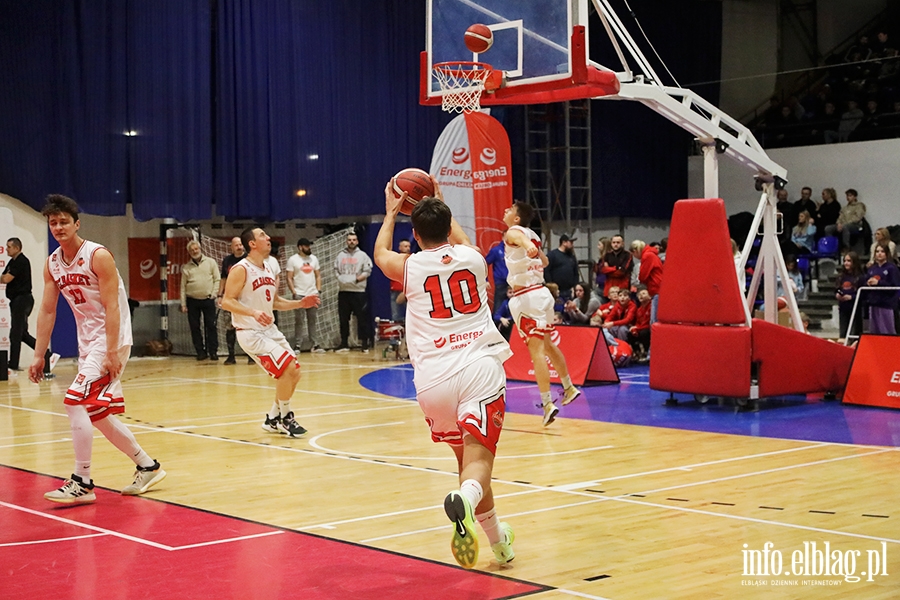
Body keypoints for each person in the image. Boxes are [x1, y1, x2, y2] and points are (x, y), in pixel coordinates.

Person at [374, 182, 515, 569]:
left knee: (466, 462)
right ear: (447, 224)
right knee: (480, 461)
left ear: (415, 235)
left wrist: (390, 213)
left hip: (433, 383)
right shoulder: (472, 257)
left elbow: (380, 253)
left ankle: (499, 542)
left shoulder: (410, 266)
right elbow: (459, 236)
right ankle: (464, 501)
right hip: (476, 368)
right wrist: (436, 201)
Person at [29, 194, 166, 504]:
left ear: (77, 223)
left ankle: (82, 480)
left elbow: (112, 307)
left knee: (73, 400)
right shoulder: (52, 264)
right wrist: (39, 354)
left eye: (64, 221)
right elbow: (48, 310)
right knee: (97, 412)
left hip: (110, 339)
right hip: (88, 341)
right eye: (53, 222)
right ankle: (148, 466)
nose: (59, 227)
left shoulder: (97, 255)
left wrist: (113, 351)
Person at [222, 227, 321, 437]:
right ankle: (286, 418)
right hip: (250, 331)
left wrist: (300, 303)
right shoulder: (241, 269)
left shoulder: (268, 268)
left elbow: (274, 302)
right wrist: (253, 312)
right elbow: (226, 301)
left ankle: (272, 418)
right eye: (262, 236)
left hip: (269, 329)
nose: (268, 238)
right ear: (252, 243)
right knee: (287, 368)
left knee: (295, 371)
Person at [502, 201, 581, 426]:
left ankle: (547, 403)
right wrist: (531, 251)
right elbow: (544, 260)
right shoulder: (532, 233)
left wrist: (527, 246)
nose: (506, 211)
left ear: (517, 218)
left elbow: (523, 242)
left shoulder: (515, 232)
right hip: (543, 294)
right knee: (547, 345)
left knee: (536, 351)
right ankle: (568, 387)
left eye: (510, 210)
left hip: (527, 297)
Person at [2, 238, 58, 377]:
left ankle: (13, 365)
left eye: (9, 247)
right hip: (17, 300)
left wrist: (4, 277)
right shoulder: (12, 261)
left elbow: (6, 278)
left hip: (23, 300)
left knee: (16, 333)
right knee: (21, 334)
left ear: (16, 247)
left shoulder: (21, 261)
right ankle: (47, 354)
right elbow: (4, 276)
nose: (7, 249)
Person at [334, 232, 374, 353]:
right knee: (343, 319)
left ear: (357, 241)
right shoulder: (340, 256)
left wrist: (356, 279)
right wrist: (341, 280)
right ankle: (344, 343)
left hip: (358, 292)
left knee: (362, 319)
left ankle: (364, 344)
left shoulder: (363, 255)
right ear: (346, 241)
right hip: (344, 292)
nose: (351, 242)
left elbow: (367, 271)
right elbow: (336, 270)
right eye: (349, 240)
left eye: (354, 240)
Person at [180, 240, 220, 361]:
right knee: (195, 327)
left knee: (211, 326)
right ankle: (200, 352)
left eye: (196, 249)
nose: (194, 251)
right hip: (192, 301)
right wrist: (183, 304)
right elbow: (183, 287)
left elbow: (217, 279)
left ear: (200, 249)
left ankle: (213, 352)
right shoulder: (186, 267)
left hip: (208, 299)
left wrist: (214, 294)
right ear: (189, 252)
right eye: (192, 250)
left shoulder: (211, 262)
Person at [218, 236, 253, 364]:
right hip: (231, 300)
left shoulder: (249, 260)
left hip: (246, 300)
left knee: (248, 327)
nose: (239, 247)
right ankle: (231, 355)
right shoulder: (227, 260)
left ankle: (251, 356)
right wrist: (220, 295)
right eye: (236, 245)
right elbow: (223, 278)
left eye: (240, 244)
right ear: (231, 247)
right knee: (230, 327)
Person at [285, 237, 324, 353]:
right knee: (299, 321)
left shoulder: (314, 259)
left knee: (312, 320)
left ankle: (315, 344)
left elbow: (318, 275)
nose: (309, 248)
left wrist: (318, 290)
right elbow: (289, 277)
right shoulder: (293, 260)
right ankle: (297, 345)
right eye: (306, 246)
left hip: (312, 293)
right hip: (300, 294)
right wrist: (294, 292)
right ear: (300, 247)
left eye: (309, 246)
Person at [863, 243, 900, 335]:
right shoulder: (872, 269)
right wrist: (868, 283)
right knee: (874, 331)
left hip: (886, 305)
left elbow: (895, 286)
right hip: (873, 303)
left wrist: (878, 283)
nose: (879, 254)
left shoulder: (892, 268)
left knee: (887, 331)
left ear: (887, 254)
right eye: (877, 251)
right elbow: (865, 282)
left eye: (882, 251)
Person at [835, 252, 866, 339]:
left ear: (854, 262)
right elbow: (837, 289)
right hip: (843, 308)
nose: (846, 263)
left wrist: (852, 297)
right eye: (845, 261)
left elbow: (864, 294)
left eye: (849, 261)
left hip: (856, 308)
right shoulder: (841, 276)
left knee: (854, 333)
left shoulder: (861, 277)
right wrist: (837, 295)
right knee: (843, 332)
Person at [631, 240, 663, 323]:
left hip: (656, 288)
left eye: (634, 254)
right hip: (657, 288)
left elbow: (643, 276)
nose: (635, 257)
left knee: (654, 321)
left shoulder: (647, 256)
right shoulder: (651, 254)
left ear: (635, 251)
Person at [545, 234, 579, 301]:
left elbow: (575, 272)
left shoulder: (571, 256)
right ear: (564, 242)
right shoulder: (552, 255)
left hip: (569, 291)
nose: (572, 245)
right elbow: (546, 271)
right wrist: (552, 287)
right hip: (557, 291)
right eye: (571, 242)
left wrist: (575, 287)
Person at [388, 239, 411, 322]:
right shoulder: (394, 258)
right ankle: (397, 333)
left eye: (409, 246)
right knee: (395, 316)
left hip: (408, 290)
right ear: (400, 247)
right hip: (395, 290)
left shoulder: (413, 259)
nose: (408, 248)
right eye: (405, 246)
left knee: (409, 315)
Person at [629, 286, 652, 363]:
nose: (641, 296)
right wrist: (635, 329)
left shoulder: (652, 307)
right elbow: (638, 322)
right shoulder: (639, 309)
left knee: (644, 333)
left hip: (648, 329)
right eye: (639, 294)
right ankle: (638, 352)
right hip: (641, 327)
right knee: (630, 333)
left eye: (643, 293)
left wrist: (637, 328)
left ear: (649, 296)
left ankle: (646, 352)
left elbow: (650, 323)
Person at [484, 241, 509, 312]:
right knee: (499, 305)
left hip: (514, 283)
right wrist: (485, 280)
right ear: (504, 238)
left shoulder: (515, 251)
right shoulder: (496, 250)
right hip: (501, 282)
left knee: (514, 305)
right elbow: (485, 263)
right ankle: (496, 322)